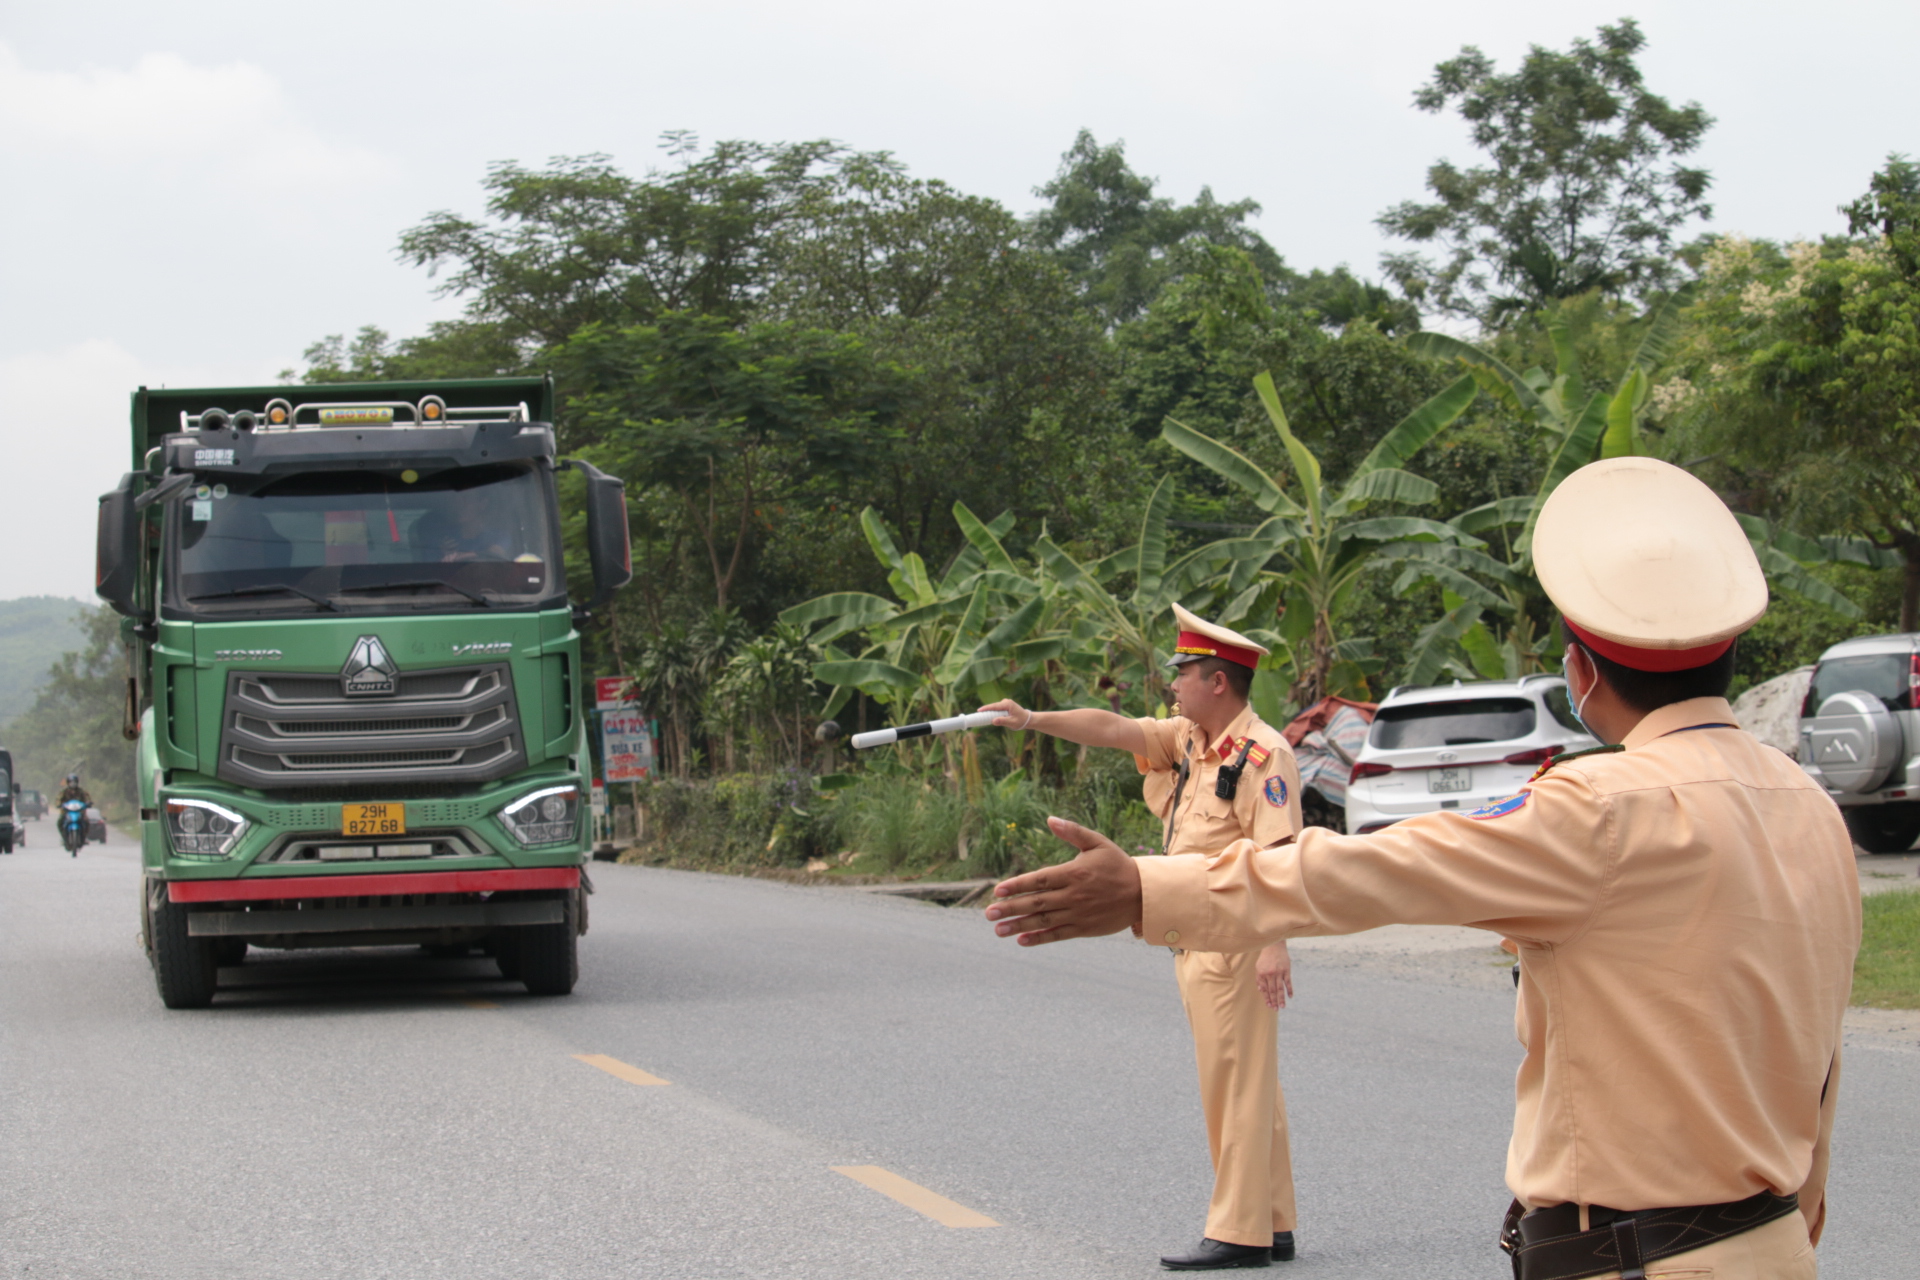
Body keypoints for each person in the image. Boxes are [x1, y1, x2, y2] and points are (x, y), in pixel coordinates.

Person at [985, 458, 1860, 1280]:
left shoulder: (1600, 809)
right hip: (1775, 1244)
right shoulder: (1813, 810)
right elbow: (1820, 1062)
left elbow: (1375, 871)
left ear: (1581, 668)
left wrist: (1145, 889)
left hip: (1638, 1258)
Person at [982, 603, 1306, 1270]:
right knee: (1251, 1084)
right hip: (1193, 933)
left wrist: (1275, 944)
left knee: (1234, 1086)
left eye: (1184, 672)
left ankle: (1239, 1232)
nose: (1173, 684)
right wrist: (1032, 719)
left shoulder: (1263, 753)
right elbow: (1112, 728)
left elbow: (1282, 860)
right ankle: (1272, 1221)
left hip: (1237, 942)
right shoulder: (1190, 738)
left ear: (1218, 682)